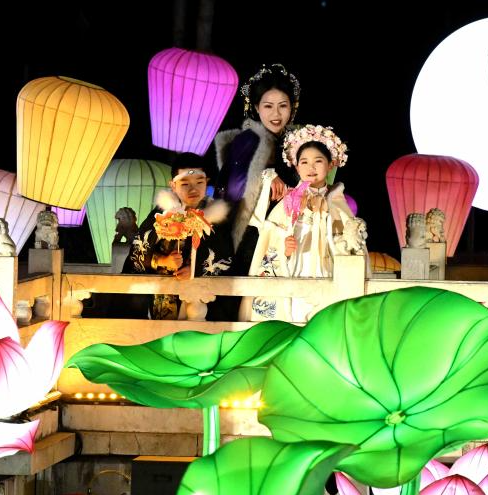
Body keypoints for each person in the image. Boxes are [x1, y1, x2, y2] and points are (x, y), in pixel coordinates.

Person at [241, 124, 359, 322]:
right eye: (304, 162)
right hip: (295, 272)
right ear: (296, 166)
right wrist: (284, 248)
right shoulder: (289, 201)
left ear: (331, 164)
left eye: (318, 161)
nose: (311, 168)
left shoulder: (338, 203)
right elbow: (269, 240)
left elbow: (352, 247)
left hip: (328, 276)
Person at [214, 64, 302, 317]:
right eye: (268, 106)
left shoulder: (298, 142)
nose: (276, 114)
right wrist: (268, 176)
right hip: (251, 234)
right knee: (249, 301)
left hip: (286, 234)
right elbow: (234, 187)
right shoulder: (247, 141)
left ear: (292, 107)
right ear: (255, 107)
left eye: (283, 106)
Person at [120, 153, 230, 319]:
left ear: (206, 181)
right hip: (161, 296)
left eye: (199, 182)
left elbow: (225, 258)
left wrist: (195, 270)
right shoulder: (161, 214)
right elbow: (137, 253)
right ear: (173, 185)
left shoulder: (214, 217)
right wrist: (163, 260)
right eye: (185, 183)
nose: (193, 189)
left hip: (198, 301)